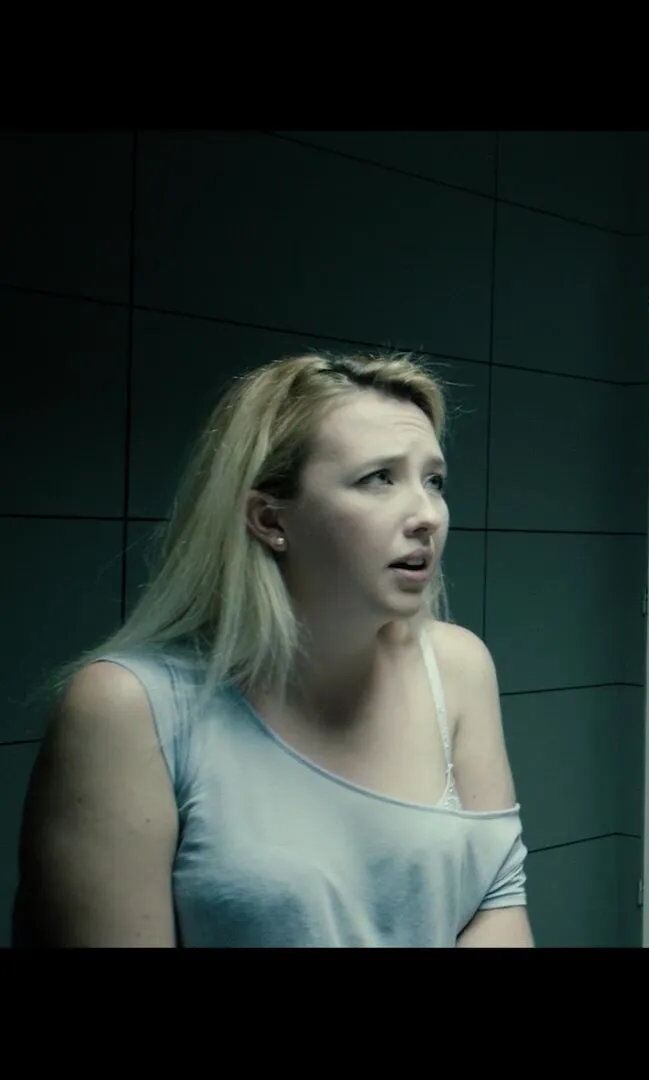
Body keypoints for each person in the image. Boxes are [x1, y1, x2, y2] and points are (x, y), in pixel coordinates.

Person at [13, 352, 533, 947]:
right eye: (379, 478)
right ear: (268, 518)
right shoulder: (128, 708)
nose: (427, 516)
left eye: (433, 480)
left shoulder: (457, 667)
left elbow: (495, 898)